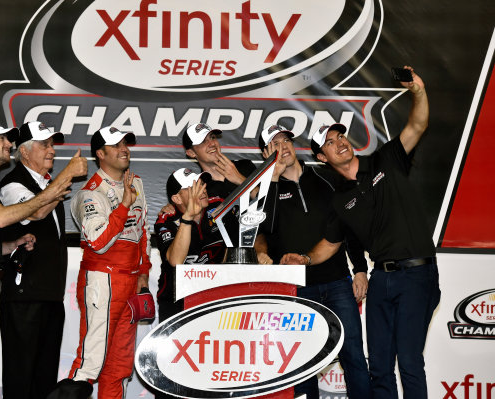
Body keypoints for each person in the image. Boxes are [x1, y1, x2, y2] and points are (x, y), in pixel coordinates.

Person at [291, 67, 440, 399]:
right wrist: (302, 258)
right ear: (321, 156)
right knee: (379, 368)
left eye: (340, 136)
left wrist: (418, 91)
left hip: (417, 272)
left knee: (410, 363)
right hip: (381, 280)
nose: (339, 142)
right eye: (329, 142)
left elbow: (418, 125)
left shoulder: (386, 159)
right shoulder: (340, 200)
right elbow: (329, 245)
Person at [0, 121, 82, 399]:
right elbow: (8, 217)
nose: (8, 142)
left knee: (30, 372)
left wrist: (13, 244)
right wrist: (64, 178)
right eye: (2, 138)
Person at [257, 124, 371, 399]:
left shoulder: (327, 179)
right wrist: (272, 179)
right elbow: (265, 228)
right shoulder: (262, 190)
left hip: (336, 282)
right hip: (295, 290)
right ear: (265, 153)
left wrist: (359, 269)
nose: (283, 147)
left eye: (286, 141)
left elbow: (349, 228)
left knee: (354, 355)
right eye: (275, 144)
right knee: (303, 364)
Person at [47, 126, 151, 399]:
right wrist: (124, 206)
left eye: (125, 143)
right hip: (102, 280)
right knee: (89, 363)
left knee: (119, 365)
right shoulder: (90, 194)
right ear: (100, 154)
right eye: (116, 145)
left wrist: (143, 273)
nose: (124, 149)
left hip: (130, 282)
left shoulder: (135, 183)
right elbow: (98, 242)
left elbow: (142, 232)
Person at [0, 121, 87, 399]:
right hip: (23, 296)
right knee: (21, 375)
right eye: (44, 144)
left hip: (50, 294)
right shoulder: (13, 185)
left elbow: (43, 207)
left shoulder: (48, 184)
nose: (51, 150)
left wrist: (60, 181)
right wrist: (68, 176)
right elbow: (34, 213)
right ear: (24, 152)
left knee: (45, 378)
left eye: (52, 144)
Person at [155, 168, 224, 324]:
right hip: (176, 302)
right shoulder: (166, 220)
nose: (202, 189)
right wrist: (188, 218)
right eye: (193, 187)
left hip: (215, 298)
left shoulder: (220, 207)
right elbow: (175, 261)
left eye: (201, 184)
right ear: (177, 199)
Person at [182, 122, 256, 199]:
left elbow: (268, 202)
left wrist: (239, 179)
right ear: (191, 153)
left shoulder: (245, 166)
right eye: (203, 141)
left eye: (212, 137)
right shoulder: (201, 191)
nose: (212, 144)